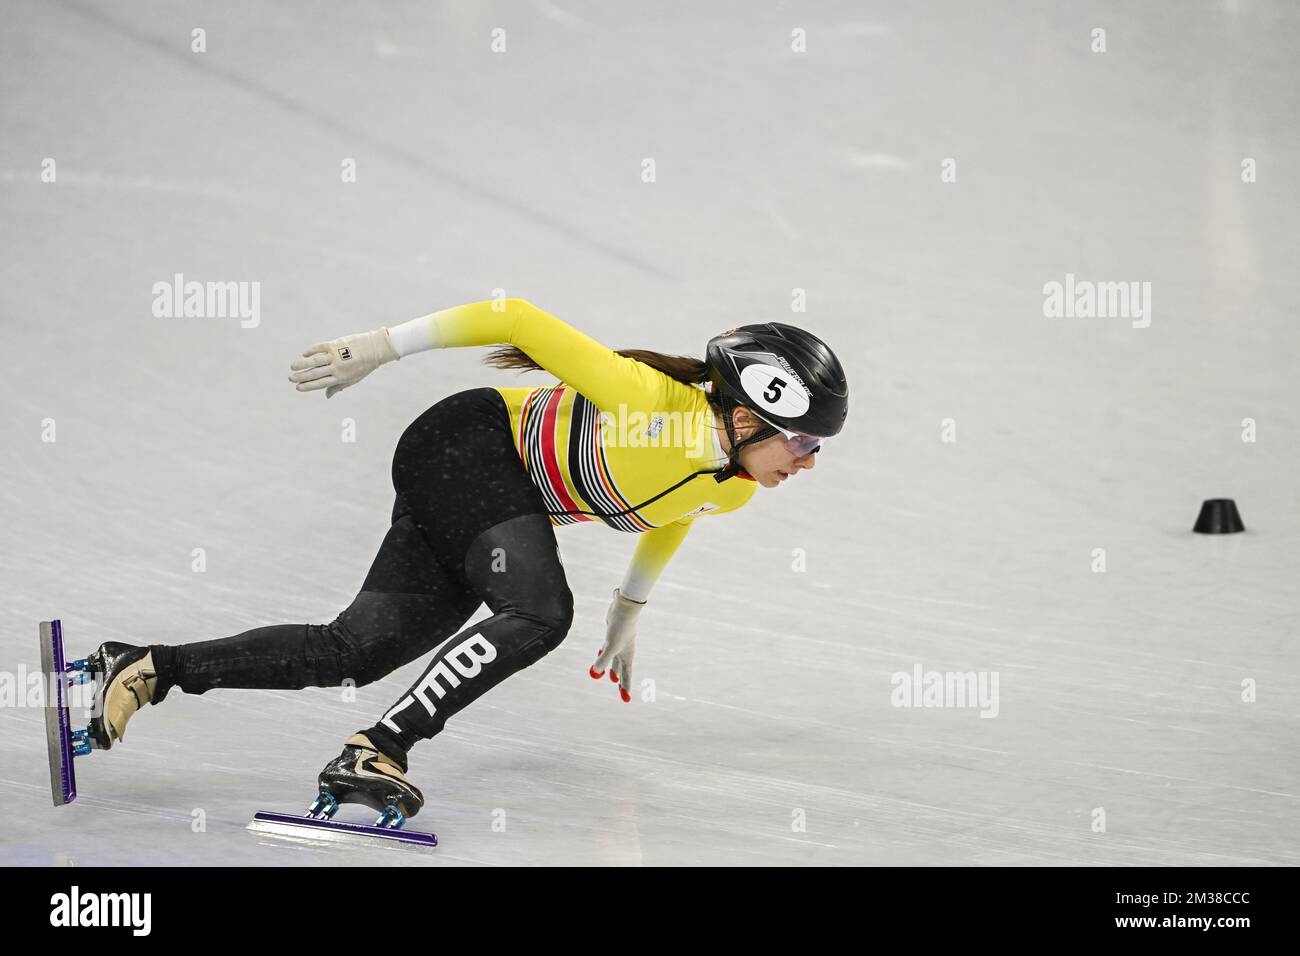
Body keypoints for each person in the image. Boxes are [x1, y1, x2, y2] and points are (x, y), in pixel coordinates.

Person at [82, 298, 848, 824]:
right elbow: (512, 316)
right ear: (747, 414)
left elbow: (683, 513)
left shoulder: (739, 487)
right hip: (466, 444)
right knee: (541, 612)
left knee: (357, 649)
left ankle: (148, 667)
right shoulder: (648, 400)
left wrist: (630, 610)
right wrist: (376, 348)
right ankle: (377, 750)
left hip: (485, 491)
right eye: (804, 441)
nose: (809, 462)